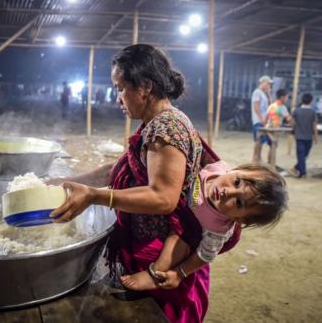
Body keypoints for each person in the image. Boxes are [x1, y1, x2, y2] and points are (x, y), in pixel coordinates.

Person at [48, 44, 240, 322]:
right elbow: (113, 171)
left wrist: (94, 196)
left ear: (146, 86)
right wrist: (63, 183)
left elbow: (163, 198)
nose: (118, 98)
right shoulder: (154, 123)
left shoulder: (166, 129)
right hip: (148, 245)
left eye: (120, 88)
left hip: (163, 252)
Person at [120, 161, 287, 291]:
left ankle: (153, 275)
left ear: (240, 220)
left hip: (183, 228)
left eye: (238, 202)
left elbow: (205, 255)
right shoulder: (216, 168)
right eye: (237, 182)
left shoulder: (219, 228)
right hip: (171, 201)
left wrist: (179, 273)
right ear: (237, 169)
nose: (227, 192)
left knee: (179, 238)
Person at [290, 93, 318, 178]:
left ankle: (297, 168)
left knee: (301, 154)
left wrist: (294, 128)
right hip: (309, 137)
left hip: (299, 136)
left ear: (302, 100)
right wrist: (316, 137)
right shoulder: (313, 112)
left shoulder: (297, 111)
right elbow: (314, 125)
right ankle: (303, 172)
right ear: (311, 101)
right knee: (305, 154)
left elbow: (292, 122)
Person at [251, 76, 273, 162]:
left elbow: (271, 105)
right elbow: (256, 106)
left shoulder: (264, 93)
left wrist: (268, 94)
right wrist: (261, 119)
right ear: (263, 83)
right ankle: (256, 158)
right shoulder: (257, 92)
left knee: (261, 140)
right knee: (258, 140)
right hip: (258, 120)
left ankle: (258, 157)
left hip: (264, 120)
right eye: (268, 83)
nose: (269, 86)